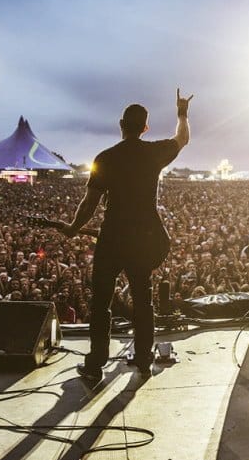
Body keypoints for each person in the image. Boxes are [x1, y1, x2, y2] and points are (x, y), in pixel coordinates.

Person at [60, 89, 192, 382]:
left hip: (112, 237)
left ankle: (96, 363)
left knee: (101, 302)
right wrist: (182, 113)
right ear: (145, 128)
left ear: (121, 124)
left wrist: (72, 228)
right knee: (143, 300)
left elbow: (89, 203)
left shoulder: (105, 158)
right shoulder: (153, 153)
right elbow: (182, 139)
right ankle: (144, 360)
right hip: (143, 236)